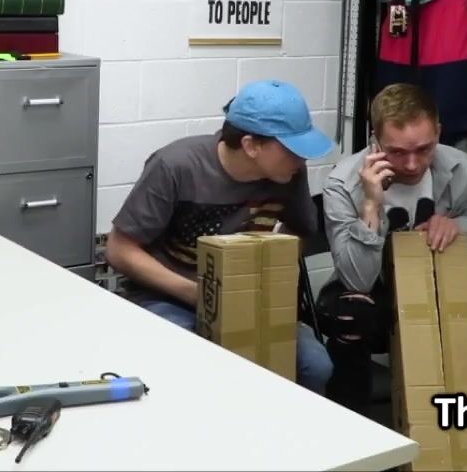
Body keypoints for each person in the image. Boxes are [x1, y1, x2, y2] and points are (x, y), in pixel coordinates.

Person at [319, 83, 467, 471]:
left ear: (439, 131)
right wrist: (371, 204)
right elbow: (356, 278)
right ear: (376, 140)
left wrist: (458, 226)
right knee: (350, 317)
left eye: (424, 149)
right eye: (397, 152)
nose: (412, 164)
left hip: (441, 280)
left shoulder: (458, 166)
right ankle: (354, 452)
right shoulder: (343, 182)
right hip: (373, 288)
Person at [105, 79, 336, 395]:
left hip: (244, 298)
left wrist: (267, 281)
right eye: (293, 150)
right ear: (251, 145)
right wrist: (197, 294)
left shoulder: (288, 173)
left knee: (315, 365)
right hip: (170, 296)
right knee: (195, 362)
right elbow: (119, 250)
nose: (301, 160)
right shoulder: (176, 166)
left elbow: (299, 231)